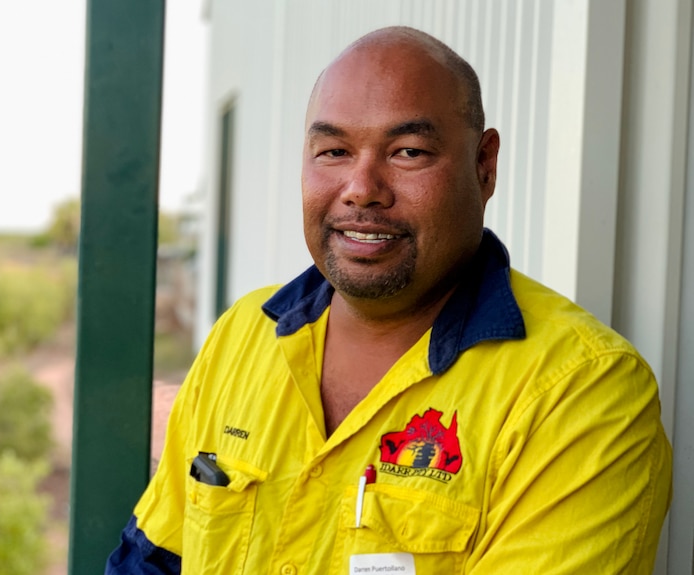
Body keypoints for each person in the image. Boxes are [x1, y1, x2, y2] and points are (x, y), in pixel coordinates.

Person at [106, 26, 672, 574]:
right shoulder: (243, 335)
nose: (362, 188)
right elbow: (151, 559)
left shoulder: (582, 394)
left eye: (407, 152)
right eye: (333, 151)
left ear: (485, 164)